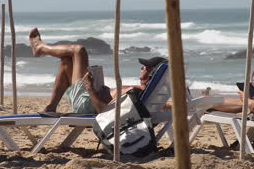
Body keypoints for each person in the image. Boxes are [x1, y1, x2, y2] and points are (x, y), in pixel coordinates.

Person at [28, 28, 167, 113]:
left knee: (79, 50)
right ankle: (51, 107)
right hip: (89, 100)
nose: (142, 68)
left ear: (150, 74)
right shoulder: (145, 95)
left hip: (86, 103)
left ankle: (40, 48)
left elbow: (102, 110)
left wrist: (89, 87)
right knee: (66, 62)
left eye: (145, 67)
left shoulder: (134, 91)